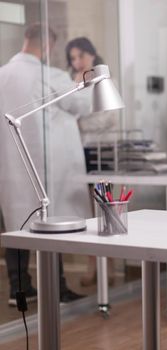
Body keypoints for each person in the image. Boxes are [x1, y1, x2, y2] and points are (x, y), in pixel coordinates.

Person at [0, 23, 89, 305]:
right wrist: (83, 78)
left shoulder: (2, 75)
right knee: (52, 225)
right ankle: (58, 288)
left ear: (26, 39)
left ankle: (20, 288)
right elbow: (81, 106)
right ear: (49, 45)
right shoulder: (49, 74)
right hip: (47, 166)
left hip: (11, 166)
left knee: (17, 226)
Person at [65, 37, 117, 287]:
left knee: (104, 209)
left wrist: (77, 123)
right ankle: (92, 265)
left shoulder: (104, 81)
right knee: (88, 213)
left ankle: (108, 266)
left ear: (92, 54)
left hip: (100, 150)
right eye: (73, 58)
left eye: (80, 56)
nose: (77, 62)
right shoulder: (70, 82)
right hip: (78, 150)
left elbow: (107, 119)